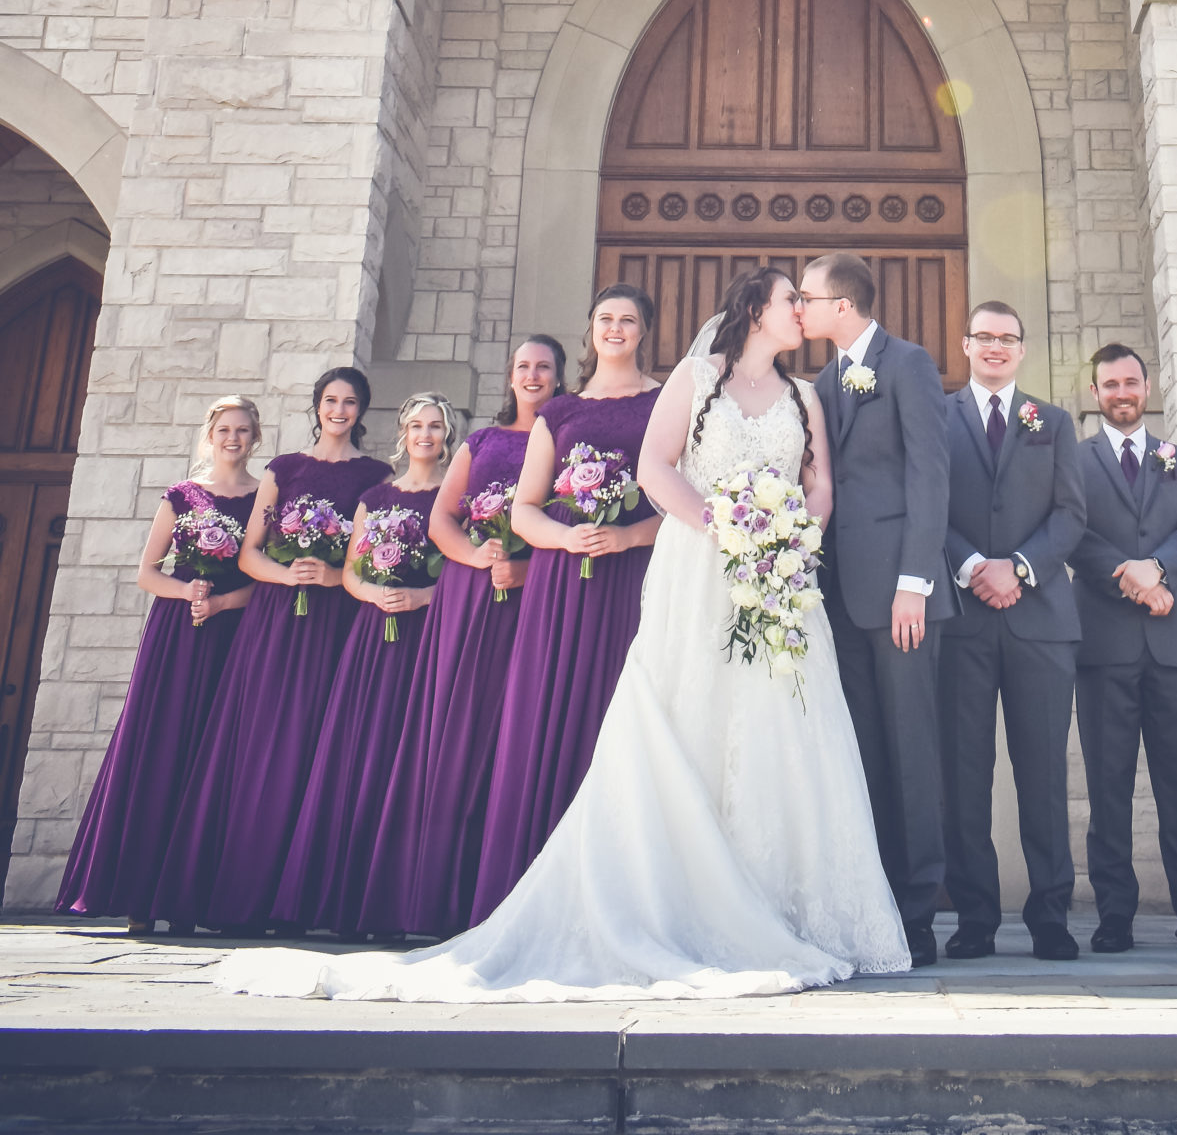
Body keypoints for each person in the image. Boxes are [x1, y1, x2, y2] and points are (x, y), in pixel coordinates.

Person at [213, 267, 910, 1000]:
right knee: (692, 715)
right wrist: (727, 531)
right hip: (702, 569)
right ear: (753, 311)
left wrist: (790, 541)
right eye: (789, 300)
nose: (803, 310)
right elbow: (655, 466)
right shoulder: (697, 378)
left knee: (784, 730)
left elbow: (817, 482)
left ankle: (792, 907)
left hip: (779, 580)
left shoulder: (804, 396)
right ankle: (683, 900)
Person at [150, 367, 394, 931]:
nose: (339, 410)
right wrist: (289, 577)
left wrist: (332, 575)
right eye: (330, 400)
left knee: (317, 750)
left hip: (336, 622)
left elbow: (367, 556)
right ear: (317, 405)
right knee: (261, 746)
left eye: (350, 402)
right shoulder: (282, 470)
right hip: (277, 623)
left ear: (363, 410)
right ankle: (237, 893)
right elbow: (249, 555)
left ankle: (300, 900)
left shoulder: (376, 476)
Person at [361, 335, 567, 939]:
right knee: (458, 733)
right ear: (510, 376)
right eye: (523, 367)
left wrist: (526, 567)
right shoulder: (480, 444)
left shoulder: (566, 438)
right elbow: (442, 520)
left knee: (521, 736)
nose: (532, 376)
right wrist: (480, 557)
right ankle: (434, 896)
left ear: (559, 377)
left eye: (544, 367)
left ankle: (507, 891)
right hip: (472, 600)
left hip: (540, 597)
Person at [470, 289, 663, 922]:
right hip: (560, 581)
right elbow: (525, 507)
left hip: (632, 577)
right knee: (545, 710)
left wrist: (628, 535)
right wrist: (566, 536)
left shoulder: (664, 403)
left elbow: (685, 504)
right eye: (605, 320)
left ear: (644, 333)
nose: (615, 329)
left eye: (627, 321)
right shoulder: (559, 410)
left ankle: (616, 889)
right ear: (590, 332)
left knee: (619, 713)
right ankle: (530, 882)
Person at [57, 395, 263, 931]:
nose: (233, 439)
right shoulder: (182, 496)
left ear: (255, 438)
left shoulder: (264, 498)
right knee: (161, 751)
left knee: (211, 757)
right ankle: (140, 899)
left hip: (231, 636)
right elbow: (147, 572)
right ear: (210, 434)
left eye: (243, 430)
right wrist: (186, 590)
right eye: (224, 429)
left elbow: (261, 578)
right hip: (176, 636)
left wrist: (220, 601)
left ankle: (189, 900)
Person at [800, 248, 952, 969]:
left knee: (913, 753)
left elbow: (929, 473)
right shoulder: (822, 381)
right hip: (838, 598)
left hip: (899, 599)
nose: (798, 306)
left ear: (843, 305)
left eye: (807, 296)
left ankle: (920, 912)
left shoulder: (907, 364)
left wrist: (914, 583)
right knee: (861, 756)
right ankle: (878, 905)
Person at [1070, 344, 1177, 951]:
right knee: (1108, 786)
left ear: (1148, 388)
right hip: (1105, 646)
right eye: (1110, 383)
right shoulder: (1075, 460)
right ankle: (1115, 914)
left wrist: (1158, 570)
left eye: (1131, 382)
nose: (1121, 392)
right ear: (1096, 393)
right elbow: (1073, 532)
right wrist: (1131, 577)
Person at [273, 394, 457, 936]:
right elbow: (352, 573)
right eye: (416, 425)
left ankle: (396, 900)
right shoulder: (375, 497)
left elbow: (462, 567)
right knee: (359, 753)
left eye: (436, 427)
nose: (426, 435)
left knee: (409, 755)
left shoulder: (456, 495)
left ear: (448, 434)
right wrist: (377, 594)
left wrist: (423, 597)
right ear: (402, 432)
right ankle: (341, 898)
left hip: (426, 635)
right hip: (372, 638)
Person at [937, 299, 1084, 962]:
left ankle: (1050, 915)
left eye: (1007, 338)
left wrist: (1018, 569)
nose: (995, 347)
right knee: (964, 774)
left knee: (1042, 774)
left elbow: (1070, 513)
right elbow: (924, 506)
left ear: (1022, 350)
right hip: (962, 622)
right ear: (965, 345)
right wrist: (972, 566)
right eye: (984, 337)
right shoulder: (936, 417)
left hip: (1040, 622)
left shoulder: (1051, 422)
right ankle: (974, 916)